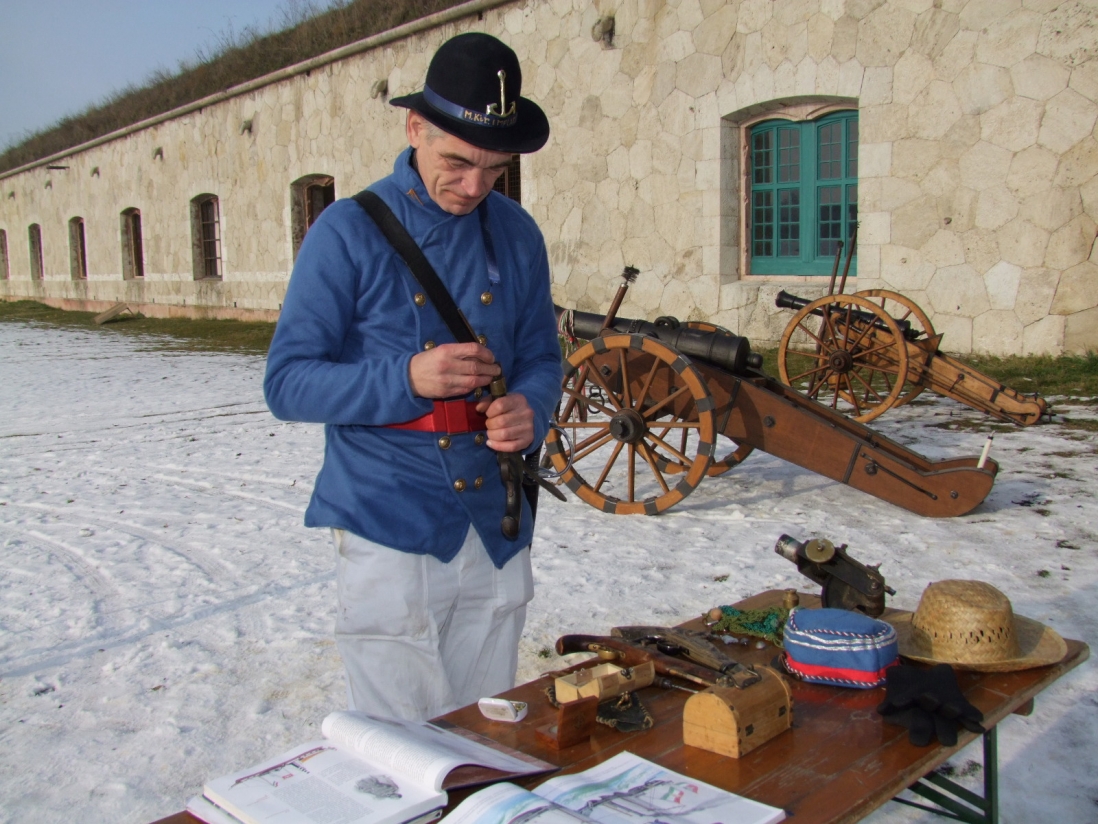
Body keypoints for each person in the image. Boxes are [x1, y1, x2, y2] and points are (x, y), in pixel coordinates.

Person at [264, 32, 562, 721]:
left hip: (495, 516)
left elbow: (543, 357)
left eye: (494, 169)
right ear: (414, 128)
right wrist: (407, 377)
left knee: (488, 729)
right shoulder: (346, 231)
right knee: (402, 744)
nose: (474, 187)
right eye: (457, 162)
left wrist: (532, 407)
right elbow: (288, 383)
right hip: (388, 515)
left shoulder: (518, 233)